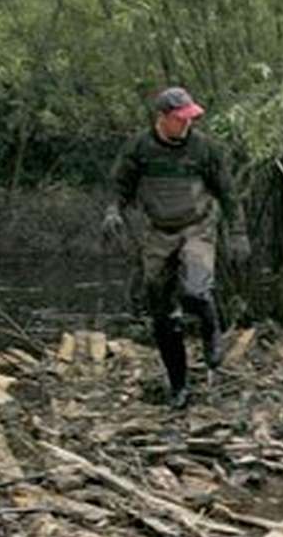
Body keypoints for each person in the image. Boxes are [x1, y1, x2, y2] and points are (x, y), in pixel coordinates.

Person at [102, 87, 249, 408]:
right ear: (162, 118)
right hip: (157, 231)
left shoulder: (205, 149)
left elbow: (228, 193)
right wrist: (113, 211)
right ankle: (179, 386)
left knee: (195, 290)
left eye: (190, 118)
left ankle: (211, 331)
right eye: (180, 119)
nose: (186, 124)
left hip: (197, 227)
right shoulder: (139, 148)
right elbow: (119, 186)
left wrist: (238, 233)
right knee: (162, 315)